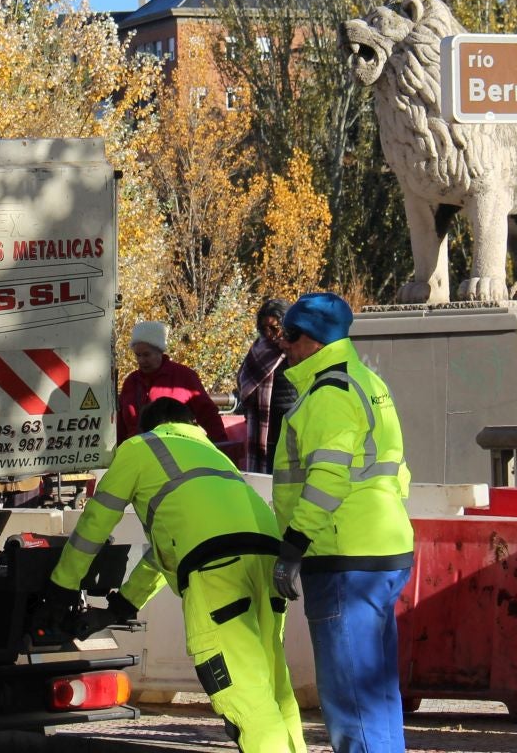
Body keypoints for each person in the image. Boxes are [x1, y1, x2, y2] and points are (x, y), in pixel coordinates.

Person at [42, 398, 305, 753]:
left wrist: (63, 585)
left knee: (245, 697)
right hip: (267, 562)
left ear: (147, 427)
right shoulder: (213, 455)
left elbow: (95, 524)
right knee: (275, 689)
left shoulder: (140, 447)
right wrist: (119, 608)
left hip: (217, 572)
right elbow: (164, 554)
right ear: (190, 423)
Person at [269, 293, 412, 753]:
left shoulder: (329, 394)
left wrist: (293, 546)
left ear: (312, 340)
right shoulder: (368, 381)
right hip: (382, 548)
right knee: (377, 693)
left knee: (351, 697)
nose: (284, 346)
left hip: (342, 555)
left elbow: (327, 480)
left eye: (289, 336)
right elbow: (398, 472)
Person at [116, 320, 227, 446]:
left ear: (159, 351)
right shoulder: (131, 382)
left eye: (146, 355)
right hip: (137, 453)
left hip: (175, 452)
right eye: (138, 355)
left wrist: (221, 445)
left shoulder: (184, 377)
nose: (141, 360)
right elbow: (120, 425)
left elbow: (208, 414)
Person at [235, 298, 297, 472]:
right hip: (263, 427)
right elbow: (244, 381)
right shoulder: (259, 349)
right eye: (264, 328)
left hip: (290, 424)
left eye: (274, 328)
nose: (269, 334)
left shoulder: (296, 349)